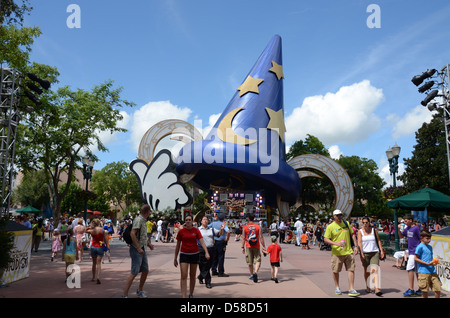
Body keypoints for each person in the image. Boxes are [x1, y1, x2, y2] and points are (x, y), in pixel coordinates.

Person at [323, 209, 360, 297]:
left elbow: (352, 234)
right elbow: (326, 239)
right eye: (338, 215)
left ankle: (351, 289)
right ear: (334, 216)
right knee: (335, 270)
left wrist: (355, 246)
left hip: (348, 251)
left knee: (351, 269)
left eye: (340, 215)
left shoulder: (346, 223)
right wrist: (336, 243)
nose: (340, 217)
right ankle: (337, 287)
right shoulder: (330, 226)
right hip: (337, 253)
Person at [174, 215, 210, 298]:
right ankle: (184, 296)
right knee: (183, 275)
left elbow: (202, 242)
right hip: (184, 255)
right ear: (185, 222)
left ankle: (191, 294)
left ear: (192, 222)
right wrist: (175, 258)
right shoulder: (181, 232)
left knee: (192, 276)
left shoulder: (196, 231)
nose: (188, 221)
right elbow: (177, 245)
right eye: (186, 220)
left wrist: (206, 252)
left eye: (189, 220)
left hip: (194, 254)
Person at [123, 204, 154, 298]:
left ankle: (140, 290)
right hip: (136, 249)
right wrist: (138, 248)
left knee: (145, 270)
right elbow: (133, 234)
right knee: (134, 272)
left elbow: (142, 236)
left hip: (142, 248)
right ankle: (125, 295)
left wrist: (148, 245)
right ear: (148, 211)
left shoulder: (144, 221)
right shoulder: (138, 220)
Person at [357, 216, 384, 296]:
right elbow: (359, 242)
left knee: (374, 270)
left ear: (369, 223)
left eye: (367, 222)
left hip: (374, 252)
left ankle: (376, 288)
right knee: (367, 271)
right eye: (364, 223)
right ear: (362, 223)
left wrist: (381, 250)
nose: (365, 224)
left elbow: (378, 240)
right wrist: (361, 252)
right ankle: (368, 286)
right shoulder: (360, 231)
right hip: (365, 253)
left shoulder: (373, 230)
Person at [399, 214, 422, 297]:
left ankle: (411, 289)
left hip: (415, 252)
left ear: (410, 220)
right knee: (416, 271)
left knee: (409, 269)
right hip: (411, 251)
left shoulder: (416, 228)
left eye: (406, 221)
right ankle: (420, 289)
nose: (405, 223)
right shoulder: (407, 228)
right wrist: (398, 229)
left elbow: (421, 239)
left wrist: (419, 251)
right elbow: (402, 236)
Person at [197, 216, 223, 289]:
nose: (205, 221)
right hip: (201, 250)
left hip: (211, 249)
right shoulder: (198, 229)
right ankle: (208, 282)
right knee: (203, 265)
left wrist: (221, 229)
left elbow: (219, 234)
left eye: (207, 220)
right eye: (204, 219)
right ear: (201, 221)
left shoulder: (211, 229)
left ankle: (201, 276)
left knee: (208, 265)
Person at [414, 230, 442, 298]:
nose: (429, 240)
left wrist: (434, 262)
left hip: (432, 271)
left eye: (429, 238)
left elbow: (429, 258)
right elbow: (415, 258)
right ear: (421, 238)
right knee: (425, 290)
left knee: (438, 288)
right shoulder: (420, 247)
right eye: (427, 238)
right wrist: (426, 263)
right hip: (423, 272)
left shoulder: (430, 247)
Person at [241, 213, 266, 283]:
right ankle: (255, 272)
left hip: (248, 246)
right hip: (257, 246)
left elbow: (243, 238)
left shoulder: (245, 227)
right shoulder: (258, 226)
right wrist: (264, 246)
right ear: (254, 218)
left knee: (250, 261)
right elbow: (261, 237)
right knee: (258, 260)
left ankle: (252, 274)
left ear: (248, 219)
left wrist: (242, 247)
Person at [86, 218, 107, 284]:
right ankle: (98, 277)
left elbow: (85, 230)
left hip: (93, 247)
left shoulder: (92, 230)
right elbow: (105, 238)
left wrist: (89, 226)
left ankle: (93, 277)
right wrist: (106, 245)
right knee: (99, 263)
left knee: (94, 263)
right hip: (100, 247)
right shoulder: (102, 230)